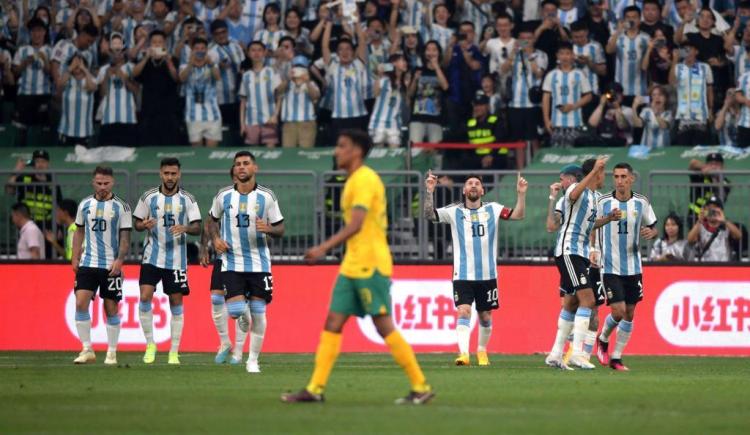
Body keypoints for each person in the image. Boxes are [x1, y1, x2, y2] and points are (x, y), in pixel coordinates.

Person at [281, 130, 434, 405]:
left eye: (342, 146)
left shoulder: (364, 179)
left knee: (383, 325)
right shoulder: (353, 180)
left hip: (370, 264)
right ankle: (315, 389)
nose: (336, 151)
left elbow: (357, 224)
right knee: (333, 322)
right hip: (351, 264)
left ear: (357, 151)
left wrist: (323, 248)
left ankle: (420, 386)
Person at [423, 170, 527, 366]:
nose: (473, 185)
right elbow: (430, 215)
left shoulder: (494, 209)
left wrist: (521, 194)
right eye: (469, 183)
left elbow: (519, 215)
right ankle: (464, 354)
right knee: (463, 311)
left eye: (476, 184)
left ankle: (481, 350)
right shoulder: (454, 211)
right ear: (463, 190)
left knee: (485, 315)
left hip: (488, 274)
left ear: (482, 190)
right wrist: (429, 191)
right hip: (462, 274)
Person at [207, 151, 285, 373]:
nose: (241, 167)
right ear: (234, 170)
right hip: (231, 262)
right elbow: (211, 220)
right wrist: (215, 239)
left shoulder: (267, 197)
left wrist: (269, 228)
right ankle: (239, 328)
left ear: (255, 168)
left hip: (259, 264)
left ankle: (252, 360)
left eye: (246, 163)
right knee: (236, 310)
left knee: (259, 312)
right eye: (238, 164)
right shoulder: (223, 196)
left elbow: (280, 228)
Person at [133, 158, 201, 365]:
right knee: (145, 296)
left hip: (177, 259)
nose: (170, 177)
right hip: (152, 255)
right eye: (166, 173)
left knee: (176, 302)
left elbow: (198, 227)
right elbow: (136, 223)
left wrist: (186, 228)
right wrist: (143, 224)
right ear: (160, 174)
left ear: (179, 174)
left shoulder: (188, 199)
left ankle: (173, 351)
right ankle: (150, 344)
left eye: (173, 173)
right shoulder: (148, 197)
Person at [545, 157, 608, 371]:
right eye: (602, 172)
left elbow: (589, 225)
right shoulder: (575, 189)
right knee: (588, 300)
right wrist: (593, 170)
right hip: (569, 251)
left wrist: (608, 219)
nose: (604, 177)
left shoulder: (592, 198)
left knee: (571, 303)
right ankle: (577, 354)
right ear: (595, 173)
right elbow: (571, 195)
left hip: (579, 253)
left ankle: (555, 354)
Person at [594, 163, 658, 371]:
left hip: (634, 266)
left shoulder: (641, 202)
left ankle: (616, 357)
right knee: (619, 310)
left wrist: (651, 233)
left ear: (631, 179)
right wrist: (594, 248)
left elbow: (652, 225)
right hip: (610, 266)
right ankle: (603, 337)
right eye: (616, 177)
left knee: (630, 313)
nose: (619, 181)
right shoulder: (603, 201)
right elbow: (590, 224)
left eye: (623, 177)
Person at [70, 166, 132, 365]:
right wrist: (75, 256)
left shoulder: (122, 207)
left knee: (111, 307)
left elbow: (125, 236)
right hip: (88, 262)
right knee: (80, 303)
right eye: (99, 183)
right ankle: (87, 348)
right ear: (93, 182)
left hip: (111, 265)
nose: (103, 187)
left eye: (106, 183)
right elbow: (79, 232)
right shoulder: (85, 205)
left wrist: (120, 260)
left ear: (113, 182)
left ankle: (111, 352)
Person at [320, 9, 370, 139]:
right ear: (337, 53)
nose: (345, 52)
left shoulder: (358, 65)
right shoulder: (333, 67)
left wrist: (357, 21)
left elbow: (362, 42)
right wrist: (330, 22)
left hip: (359, 115)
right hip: (339, 117)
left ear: (353, 52)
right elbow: (325, 46)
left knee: (358, 150)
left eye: (348, 49)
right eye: (341, 49)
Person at [503, 23, 547, 167]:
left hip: (532, 104)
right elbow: (503, 70)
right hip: (515, 104)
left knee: (534, 138)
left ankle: (537, 168)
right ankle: (520, 170)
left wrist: (529, 55)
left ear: (534, 39)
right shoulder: (514, 54)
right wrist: (513, 54)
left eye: (529, 39)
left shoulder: (541, 55)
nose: (526, 42)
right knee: (518, 140)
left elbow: (539, 73)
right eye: (523, 39)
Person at [542, 42, 592, 148]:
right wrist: (546, 120)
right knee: (557, 155)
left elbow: (588, 96)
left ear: (573, 55)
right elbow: (546, 99)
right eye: (562, 53)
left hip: (575, 123)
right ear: (557, 55)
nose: (564, 57)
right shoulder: (551, 75)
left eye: (568, 53)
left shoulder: (580, 74)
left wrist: (573, 106)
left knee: (573, 155)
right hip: (556, 123)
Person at [12, 18, 53, 147]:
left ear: (45, 32)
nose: (37, 34)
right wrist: (25, 63)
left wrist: (45, 60)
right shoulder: (22, 50)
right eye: (34, 31)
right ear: (30, 33)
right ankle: (21, 156)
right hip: (25, 94)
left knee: (42, 129)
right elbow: (15, 72)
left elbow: (51, 73)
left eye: (39, 30)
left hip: (43, 94)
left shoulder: (49, 50)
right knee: (22, 129)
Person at [97, 32, 139, 146]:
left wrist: (123, 76)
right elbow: (102, 94)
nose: (117, 54)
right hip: (108, 118)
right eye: (113, 50)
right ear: (109, 51)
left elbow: (136, 91)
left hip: (128, 117)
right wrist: (106, 76)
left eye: (119, 50)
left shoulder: (132, 67)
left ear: (124, 50)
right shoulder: (103, 69)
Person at [180, 37, 222, 147]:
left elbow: (217, 77)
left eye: (203, 48)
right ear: (192, 50)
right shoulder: (185, 65)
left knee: (211, 151)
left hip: (212, 114)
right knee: (197, 153)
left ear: (207, 50)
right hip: (193, 114)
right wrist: (190, 63)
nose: (200, 50)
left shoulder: (213, 64)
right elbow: (182, 78)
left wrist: (211, 63)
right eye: (197, 48)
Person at [208, 19, 245, 144]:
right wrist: (218, 67)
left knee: (237, 129)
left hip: (238, 97)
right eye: (217, 33)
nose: (221, 35)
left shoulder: (236, 46)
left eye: (223, 32)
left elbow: (243, 66)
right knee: (223, 132)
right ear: (213, 35)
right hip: (220, 98)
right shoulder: (210, 50)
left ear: (227, 31)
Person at [670, 40, 714, 145]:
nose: (687, 52)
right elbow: (672, 82)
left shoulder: (705, 67)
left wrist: (711, 109)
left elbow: (709, 89)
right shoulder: (677, 67)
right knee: (683, 147)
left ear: (696, 51)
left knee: (701, 147)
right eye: (684, 50)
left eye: (690, 50)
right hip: (683, 115)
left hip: (701, 114)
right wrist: (675, 60)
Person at [239, 41, 281, 147]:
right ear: (248, 53)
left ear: (264, 52)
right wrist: (242, 124)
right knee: (253, 155)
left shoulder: (272, 71)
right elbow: (243, 102)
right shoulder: (246, 75)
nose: (256, 53)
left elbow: (279, 96)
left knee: (270, 153)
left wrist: (275, 115)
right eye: (253, 50)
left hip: (269, 119)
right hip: (251, 120)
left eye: (259, 50)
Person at [606, 6, 650, 105]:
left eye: (634, 17)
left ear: (639, 19)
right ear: (624, 19)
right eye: (628, 17)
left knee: (639, 117)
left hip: (640, 89)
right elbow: (609, 50)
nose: (631, 20)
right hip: (620, 89)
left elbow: (647, 65)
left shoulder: (646, 38)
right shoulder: (618, 37)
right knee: (620, 117)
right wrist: (618, 31)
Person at [408, 40, 449, 145]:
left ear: (439, 53)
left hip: (436, 118)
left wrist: (436, 67)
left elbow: (445, 87)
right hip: (417, 116)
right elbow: (410, 94)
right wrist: (415, 79)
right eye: (428, 49)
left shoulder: (443, 70)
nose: (431, 52)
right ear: (424, 52)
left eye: (434, 50)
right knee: (415, 150)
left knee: (435, 152)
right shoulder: (418, 70)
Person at [280, 55, 320, 148]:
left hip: (307, 123)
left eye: (301, 67)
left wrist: (307, 82)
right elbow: (277, 92)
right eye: (296, 67)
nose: (299, 70)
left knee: (305, 154)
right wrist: (288, 79)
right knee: (288, 154)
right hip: (289, 123)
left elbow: (316, 96)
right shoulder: (287, 83)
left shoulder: (311, 83)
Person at [369, 53, 408, 148]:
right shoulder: (384, 80)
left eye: (404, 60)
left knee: (394, 153)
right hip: (379, 122)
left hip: (394, 123)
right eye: (401, 60)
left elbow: (407, 102)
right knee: (378, 153)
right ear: (393, 63)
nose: (405, 63)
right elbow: (375, 93)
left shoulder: (405, 82)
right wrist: (378, 76)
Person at [57, 54, 97, 146]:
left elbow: (92, 87)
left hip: (85, 131)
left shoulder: (90, 79)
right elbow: (59, 85)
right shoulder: (67, 79)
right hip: (66, 130)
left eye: (79, 63)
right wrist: (70, 68)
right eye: (74, 63)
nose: (77, 65)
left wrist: (85, 69)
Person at [687, 196, 743, 262]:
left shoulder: (726, 226)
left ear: (721, 211)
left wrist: (724, 220)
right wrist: (699, 221)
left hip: (724, 266)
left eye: (715, 208)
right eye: (709, 208)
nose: (712, 211)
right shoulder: (701, 226)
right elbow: (690, 240)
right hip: (706, 267)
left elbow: (739, 236)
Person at [586, 82, 634, 147]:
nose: (613, 97)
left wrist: (617, 108)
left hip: (622, 146)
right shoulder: (602, 110)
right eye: (610, 95)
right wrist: (601, 104)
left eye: (616, 94)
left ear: (622, 96)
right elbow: (592, 124)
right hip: (604, 145)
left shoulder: (627, 111)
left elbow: (622, 126)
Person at [687, 153, 731, 222]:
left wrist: (715, 177)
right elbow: (693, 163)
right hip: (695, 217)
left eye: (717, 164)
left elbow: (720, 198)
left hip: (714, 218)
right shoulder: (700, 176)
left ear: (722, 167)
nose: (713, 167)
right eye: (711, 164)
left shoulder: (725, 182)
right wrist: (703, 167)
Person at [733, 76, 750, 147]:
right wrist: (746, 101)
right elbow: (737, 96)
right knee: (742, 152)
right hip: (746, 124)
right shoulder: (744, 77)